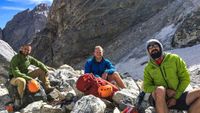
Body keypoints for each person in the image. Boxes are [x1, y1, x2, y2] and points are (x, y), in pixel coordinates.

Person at [143, 39, 200, 113]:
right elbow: (146, 87)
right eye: (150, 47)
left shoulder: (174, 59)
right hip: (161, 98)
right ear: (148, 52)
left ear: (160, 47)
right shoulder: (148, 68)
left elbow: (185, 78)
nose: (153, 48)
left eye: (155, 46)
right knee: (160, 90)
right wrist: (165, 91)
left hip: (178, 95)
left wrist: (175, 97)